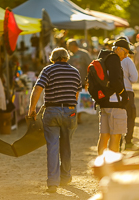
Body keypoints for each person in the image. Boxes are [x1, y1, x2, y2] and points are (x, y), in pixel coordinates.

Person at [28, 47, 82, 193]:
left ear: (53, 58)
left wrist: (32, 108)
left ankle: (52, 182)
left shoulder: (48, 70)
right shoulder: (75, 71)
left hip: (51, 111)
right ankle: (65, 177)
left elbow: (38, 88)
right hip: (70, 112)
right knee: (66, 145)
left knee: (52, 146)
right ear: (66, 57)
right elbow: (77, 93)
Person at [97, 39, 132, 155]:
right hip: (115, 103)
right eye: (125, 52)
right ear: (118, 49)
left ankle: (100, 166)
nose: (126, 56)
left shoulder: (103, 57)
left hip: (104, 102)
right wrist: (124, 95)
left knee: (104, 137)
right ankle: (112, 168)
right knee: (115, 137)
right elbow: (115, 81)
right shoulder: (114, 59)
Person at [118, 37, 139, 150]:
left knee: (117, 117)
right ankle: (128, 141)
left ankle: (118, 142)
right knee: (130, 116)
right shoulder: (127, 60)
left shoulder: (110, 59)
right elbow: (134, 78)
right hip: (127, 91)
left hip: (115, 93)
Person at [66, 39, 92, 123]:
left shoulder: (84, 54)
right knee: (72, 100)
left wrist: (88, 79)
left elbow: (90, 66)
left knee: (81, 100)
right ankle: (73, 116)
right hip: (71, 82)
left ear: (73, 46)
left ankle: (78, 117)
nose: (68, 48)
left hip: (82, 80)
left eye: (69, 46)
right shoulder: (68, 55)